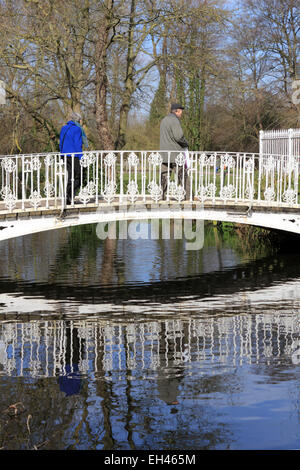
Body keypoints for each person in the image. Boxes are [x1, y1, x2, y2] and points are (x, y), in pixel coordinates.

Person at [159, 103, 191, 200]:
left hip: (164, 154)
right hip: (175, 154)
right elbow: (179, 136)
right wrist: (186, 143)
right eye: (181, 111)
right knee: (183, 176)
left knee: (164, 176)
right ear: (176, 111)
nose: (181, 113)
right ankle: (189, 196)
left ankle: (161, 196)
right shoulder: (174, 120)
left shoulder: (164, 120)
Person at [59, 111, 88, 205]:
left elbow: (61, 143)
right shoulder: (77, 129)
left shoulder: (64, 128)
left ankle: (67, 198)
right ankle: (70, 194)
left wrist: (62, 154)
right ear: (78, 120)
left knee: (70, 176)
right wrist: (81, 157)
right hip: (74, 156)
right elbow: (77, 144)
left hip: (64, 156)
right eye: (80, 120)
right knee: (82, 175)